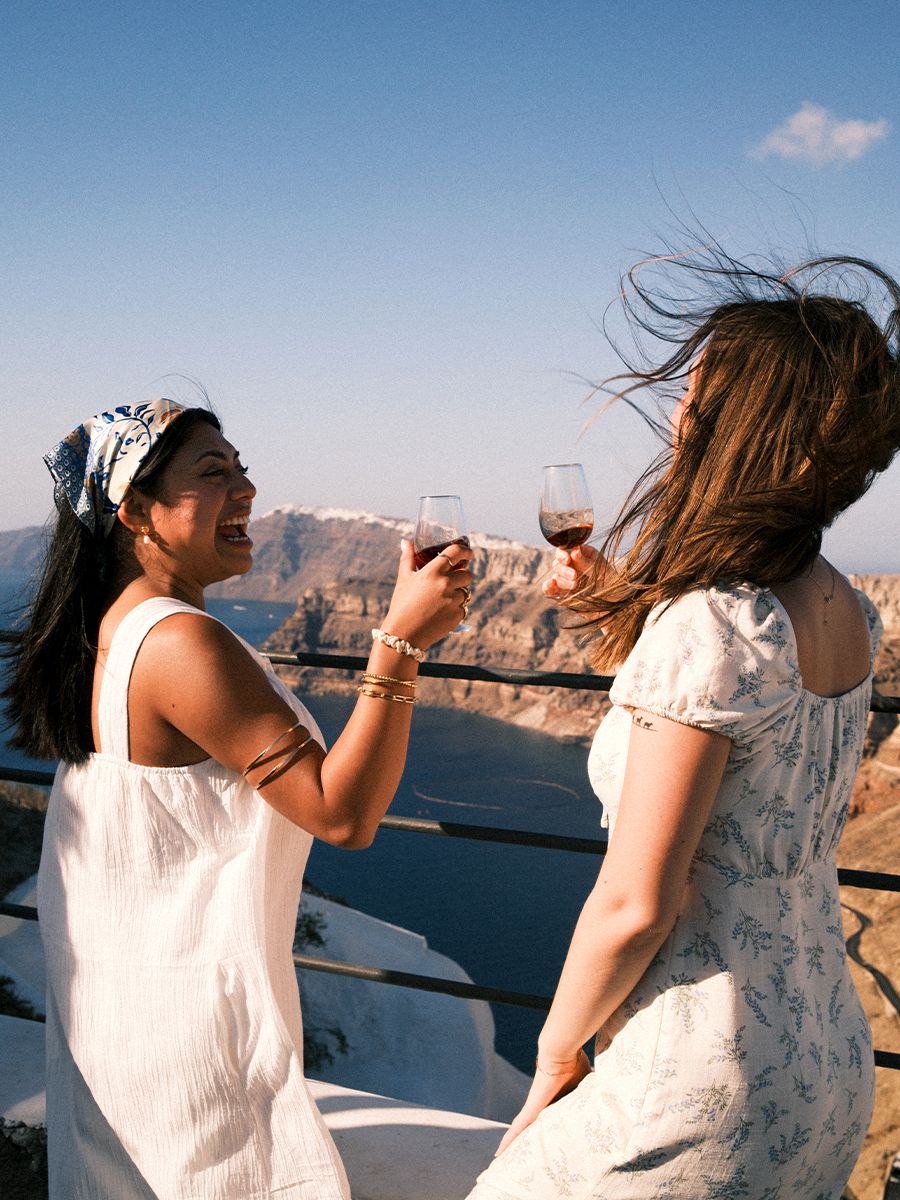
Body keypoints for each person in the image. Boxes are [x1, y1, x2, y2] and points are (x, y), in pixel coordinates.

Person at [467, 251, 900, 1199]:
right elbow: (749, 725)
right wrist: (627, 609)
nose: (677, 414)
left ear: (737, 425)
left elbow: (635, 904)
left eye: (694, 395)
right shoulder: (846, 609)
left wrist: (554, 1051)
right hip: (823, 1064)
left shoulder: (709, 622)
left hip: (696, 1076)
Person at [3, 398, 473, 1198]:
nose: (247, 488)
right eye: (214, 473)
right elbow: (343, 814)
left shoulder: (118, 624)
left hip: (132, 1004)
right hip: (191, 1026)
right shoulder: (183, 642)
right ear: (137, 512)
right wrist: (399, 644)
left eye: (242, 466)